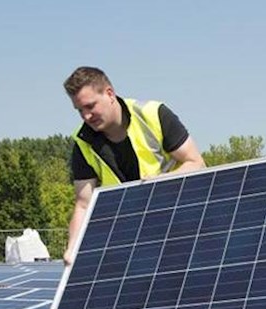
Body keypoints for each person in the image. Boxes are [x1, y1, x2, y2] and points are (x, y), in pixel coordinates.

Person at [62, 66, 206, 266]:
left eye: (90, 106)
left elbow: (196, 163)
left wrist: (161, 183)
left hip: (179, 226)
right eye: (80, 111)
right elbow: (83, 203)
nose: (86, 116)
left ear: (109, 93)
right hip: (131, 236)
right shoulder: (83, 141)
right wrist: (72, 247)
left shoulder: (153, 114)